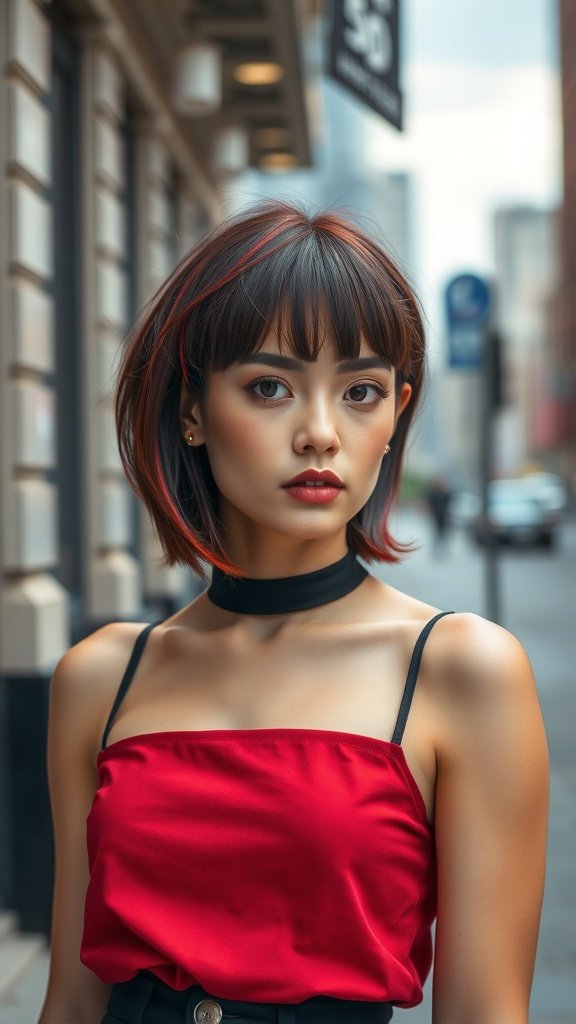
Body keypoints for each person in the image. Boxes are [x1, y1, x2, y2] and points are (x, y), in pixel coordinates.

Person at [38, 201, 548, 1024]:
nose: (320, 433)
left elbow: (487, 1012)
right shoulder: (101, 676)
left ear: (395, 416)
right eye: (270, 387)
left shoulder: (462, 670)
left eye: (360, 391)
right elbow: (70, 999)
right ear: (193, 411)